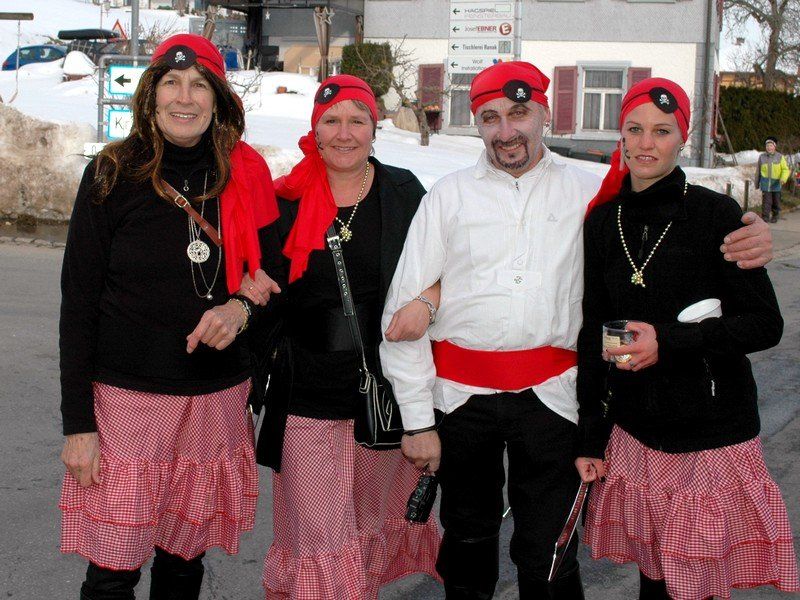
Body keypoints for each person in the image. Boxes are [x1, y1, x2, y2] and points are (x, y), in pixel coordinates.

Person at [379, 61, 776, 599]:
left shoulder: (590, 193)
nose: (506, 131)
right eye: (491, 118)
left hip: (554, 401)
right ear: (477, 124)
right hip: (460, 400)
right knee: (468, 540)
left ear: (545, 114)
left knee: (550, 552)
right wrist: (418, 417)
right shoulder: (447, 197)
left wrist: (748, 231)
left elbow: (660, 209)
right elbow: (401, 316)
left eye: (520, 113)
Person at [58, 33, 283, 600]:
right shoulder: (113, 172)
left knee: (184, 565)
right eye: (172, 83)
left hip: (214, 401)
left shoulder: (244, 174)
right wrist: (78, 425)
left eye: (199, 85)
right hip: (128, 406)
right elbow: (78, 305)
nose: (185, 97)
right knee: (112, 572)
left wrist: (240, 308)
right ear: (151, 95)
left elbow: (276, 274)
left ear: (218, 99)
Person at [575, 77, 799, 600]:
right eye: (635, 129)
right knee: (653, 581)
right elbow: (594, 331)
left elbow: (765, 324)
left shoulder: (715, 214)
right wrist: (590, 435)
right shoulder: (603, 221)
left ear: (683, 138)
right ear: (621, 136)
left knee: (695, 586)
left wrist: (670, 341)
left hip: (709, 433)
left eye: (661, 131)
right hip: (636, 432)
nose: (646, 143)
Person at [240, 74, 441, 600]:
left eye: (357, 120)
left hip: (383, 392)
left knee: (366, 532)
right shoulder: (285, 199)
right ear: (315, 129)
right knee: (322, 541)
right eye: (332, 121)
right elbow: (260, 285)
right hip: (306, 393)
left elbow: (445, 268)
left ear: (375, 128)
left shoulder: (404, 193)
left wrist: (426, 302)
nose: (344, 133)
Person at [756, 136, 791, 223]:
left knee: (776, 201)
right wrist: (757, 183)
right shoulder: (762, 157)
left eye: (771, 145)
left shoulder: (780, 157)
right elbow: (758, 171)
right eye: (767, 146)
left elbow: (785, 169)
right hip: (765, 183)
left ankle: (775, 215)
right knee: (766, 202)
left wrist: (783, 179)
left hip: (776, 183)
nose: (769, 147)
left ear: (774, 146)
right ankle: (765, 216)